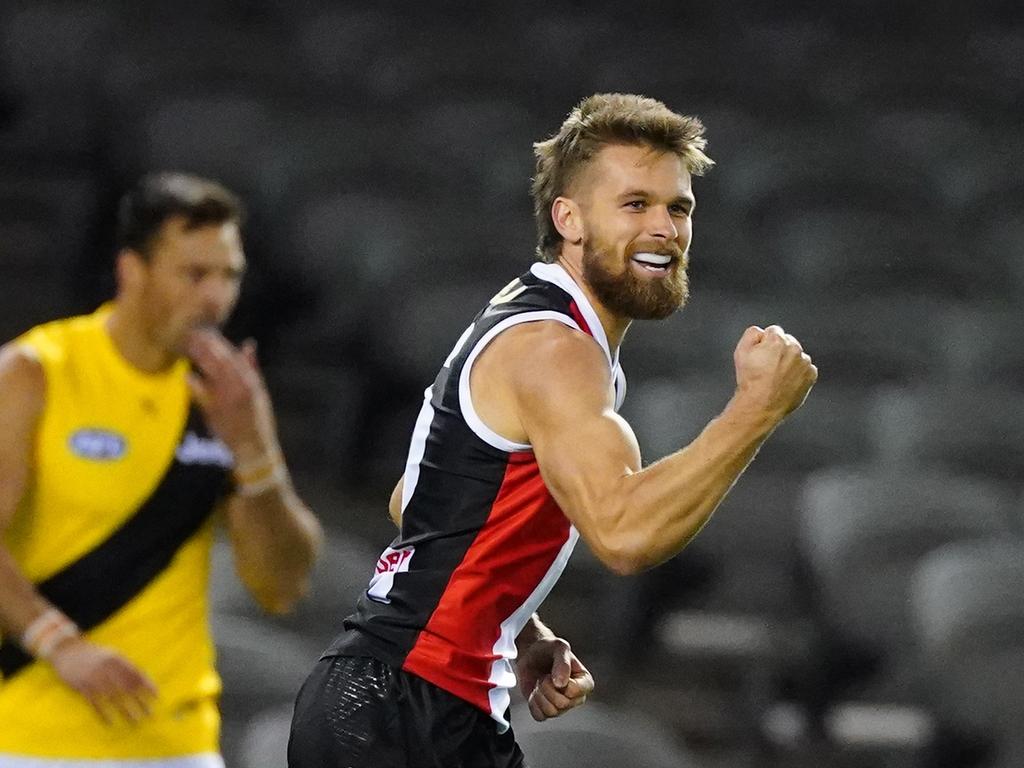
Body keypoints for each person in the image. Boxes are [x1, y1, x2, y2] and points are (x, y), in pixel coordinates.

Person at [288, 93, 817, 767]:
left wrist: (515, 624)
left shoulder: (529, 318)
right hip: (402, 707)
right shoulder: (554, 349)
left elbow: (412, 497)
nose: (665, 228)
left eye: (678, 207)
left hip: (409, 699)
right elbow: (625, 536)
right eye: (634, 205)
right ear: (567, 217)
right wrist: (755, 411)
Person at [0, 172, 324, 767]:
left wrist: (255, 452)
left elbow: (280, 587)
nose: (215, 299)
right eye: (194, 274)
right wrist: (59, 643)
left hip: (177, 743)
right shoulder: (35, 372)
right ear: (132, 271)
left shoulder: (225, 397)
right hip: (27, 738)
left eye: (228, 276)